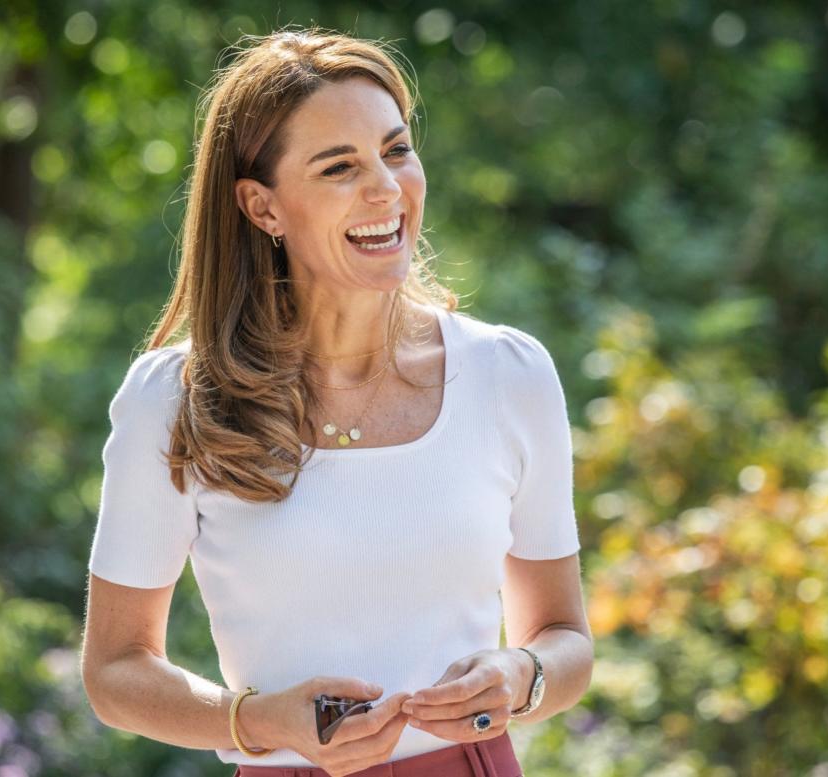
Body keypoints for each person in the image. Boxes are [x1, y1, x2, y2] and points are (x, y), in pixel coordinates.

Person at [80, 27, 593, 777]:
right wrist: (254, 720)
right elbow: (115, 670)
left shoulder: (509, 373)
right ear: (262, 207)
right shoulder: (175, 400)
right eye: (339, 166)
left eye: (396, 150)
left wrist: (522, 676)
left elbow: (565, 640)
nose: (385, 188)